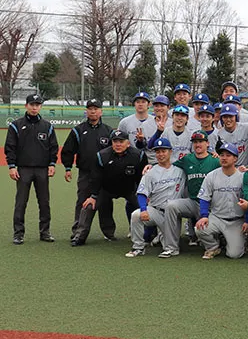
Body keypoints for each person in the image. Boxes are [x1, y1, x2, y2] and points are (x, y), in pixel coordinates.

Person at [71, 129, 148, 246]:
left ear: (128, 143)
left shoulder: (138, 155)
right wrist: (93, 196)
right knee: (89, 205)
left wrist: (144, 195)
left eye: (121, 141)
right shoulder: (102, 156)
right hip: (106, 189)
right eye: (115, 141)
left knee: (146, 206)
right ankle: (80, 236)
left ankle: (149, 235)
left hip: (130, 189)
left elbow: (142, 178)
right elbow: (95, 178)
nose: (118, 144)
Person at [6, 94, 59, 245]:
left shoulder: (47, 126)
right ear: (26, 106)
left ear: (41, 107)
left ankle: (45, 232)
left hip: (42, 170)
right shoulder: (16, 125)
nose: (34, 107)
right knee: (21, 202)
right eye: (32, 104)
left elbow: (53, 148)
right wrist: (11, 166)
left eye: (37, 105)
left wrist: (52, 164)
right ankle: (18, 233)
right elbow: (10, 148)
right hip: (23, 169)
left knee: (44, 202)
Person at [160, 131, 220, 257]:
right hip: (192, 201)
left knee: (204, 230)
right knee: (171, 206)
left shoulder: (215, 160)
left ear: (207, 143)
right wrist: (150, 166)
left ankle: (213, 246)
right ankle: (171, 247)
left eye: (201, 142)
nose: (198, 145)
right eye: (195, 142)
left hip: (211, 205)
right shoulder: (187, 159)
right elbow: (169, 167)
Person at [61, 98, 114, 240]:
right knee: (82, 201)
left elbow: (114, 151)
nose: (93, 111)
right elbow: (68, 150)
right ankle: (78, 231)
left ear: (101, 111)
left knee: (105, 202)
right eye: (90, 108)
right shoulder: (78, 130)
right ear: (86, 111)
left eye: (96, 108)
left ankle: (108, 232)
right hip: (85, 172)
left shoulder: (108, 131)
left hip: (104, 174)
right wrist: (67, 168)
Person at [125, 138, 184, 257]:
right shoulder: (151, 172)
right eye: (158, 152)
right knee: (136, 215)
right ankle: (138, 247)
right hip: (156, 210)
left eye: (164, 151)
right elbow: (142, 193)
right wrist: (143, 209)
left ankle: (162, 237)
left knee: (171, 246)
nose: (161, 154)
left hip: (171, 215)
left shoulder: (180, 170)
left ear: (170, 152)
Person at [195, 142, 247, 260]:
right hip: (217, 217)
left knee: (234, 255)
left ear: (235, 158)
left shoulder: (243, 177)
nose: (224, 158)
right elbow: (204, 198)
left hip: (236, 220)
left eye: (228, 155)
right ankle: (213, 246)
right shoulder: (211, 176)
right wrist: (204, 216)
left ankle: (240, 239)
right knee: (200, 229)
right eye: (222, 155)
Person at [118, 92, 157, 160]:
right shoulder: (125, 122)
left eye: (143, 102)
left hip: (152, 159)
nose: (140, 104)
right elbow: (119, 141)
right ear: (134, 104)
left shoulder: (156, 121)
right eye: (137, 102)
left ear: (149, 104)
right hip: (131, 158)